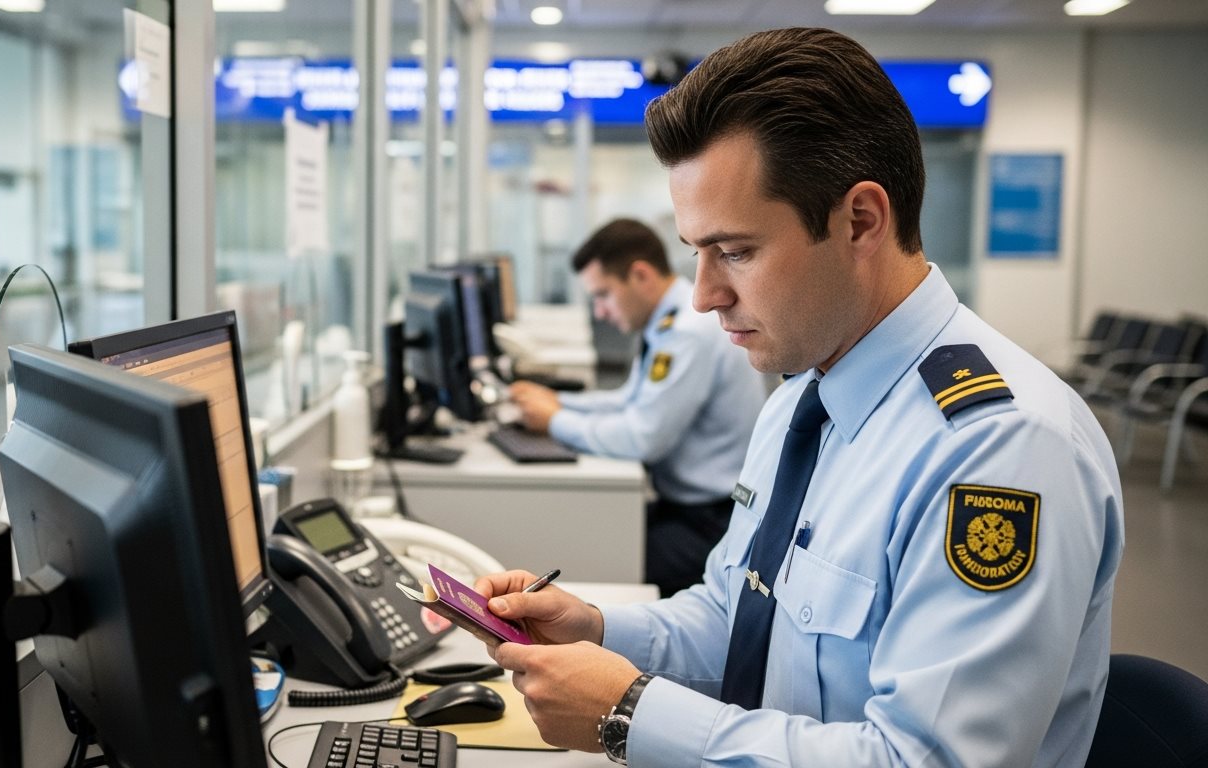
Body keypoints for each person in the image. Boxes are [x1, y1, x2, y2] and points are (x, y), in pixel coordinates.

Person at [477, 27, 1124, 767]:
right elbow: (735, 612)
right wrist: (595, 630)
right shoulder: (798, 400)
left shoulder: (1000, 448)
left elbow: (925, 760)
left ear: (861, 221)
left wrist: (628, 712)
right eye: (696, 253)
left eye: (737, 252)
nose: (703, 296)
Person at [508, 218, 767, 596]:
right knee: (591, 536)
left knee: (593, 557)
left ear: (640, 275)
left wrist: (556, 421)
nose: (600, 312)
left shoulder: (687, 333)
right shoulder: (666, 321)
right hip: (687, 508)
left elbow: (643, 438)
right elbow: (630, 400)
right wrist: (558, 403)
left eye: (603, 295)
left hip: (711, 523)